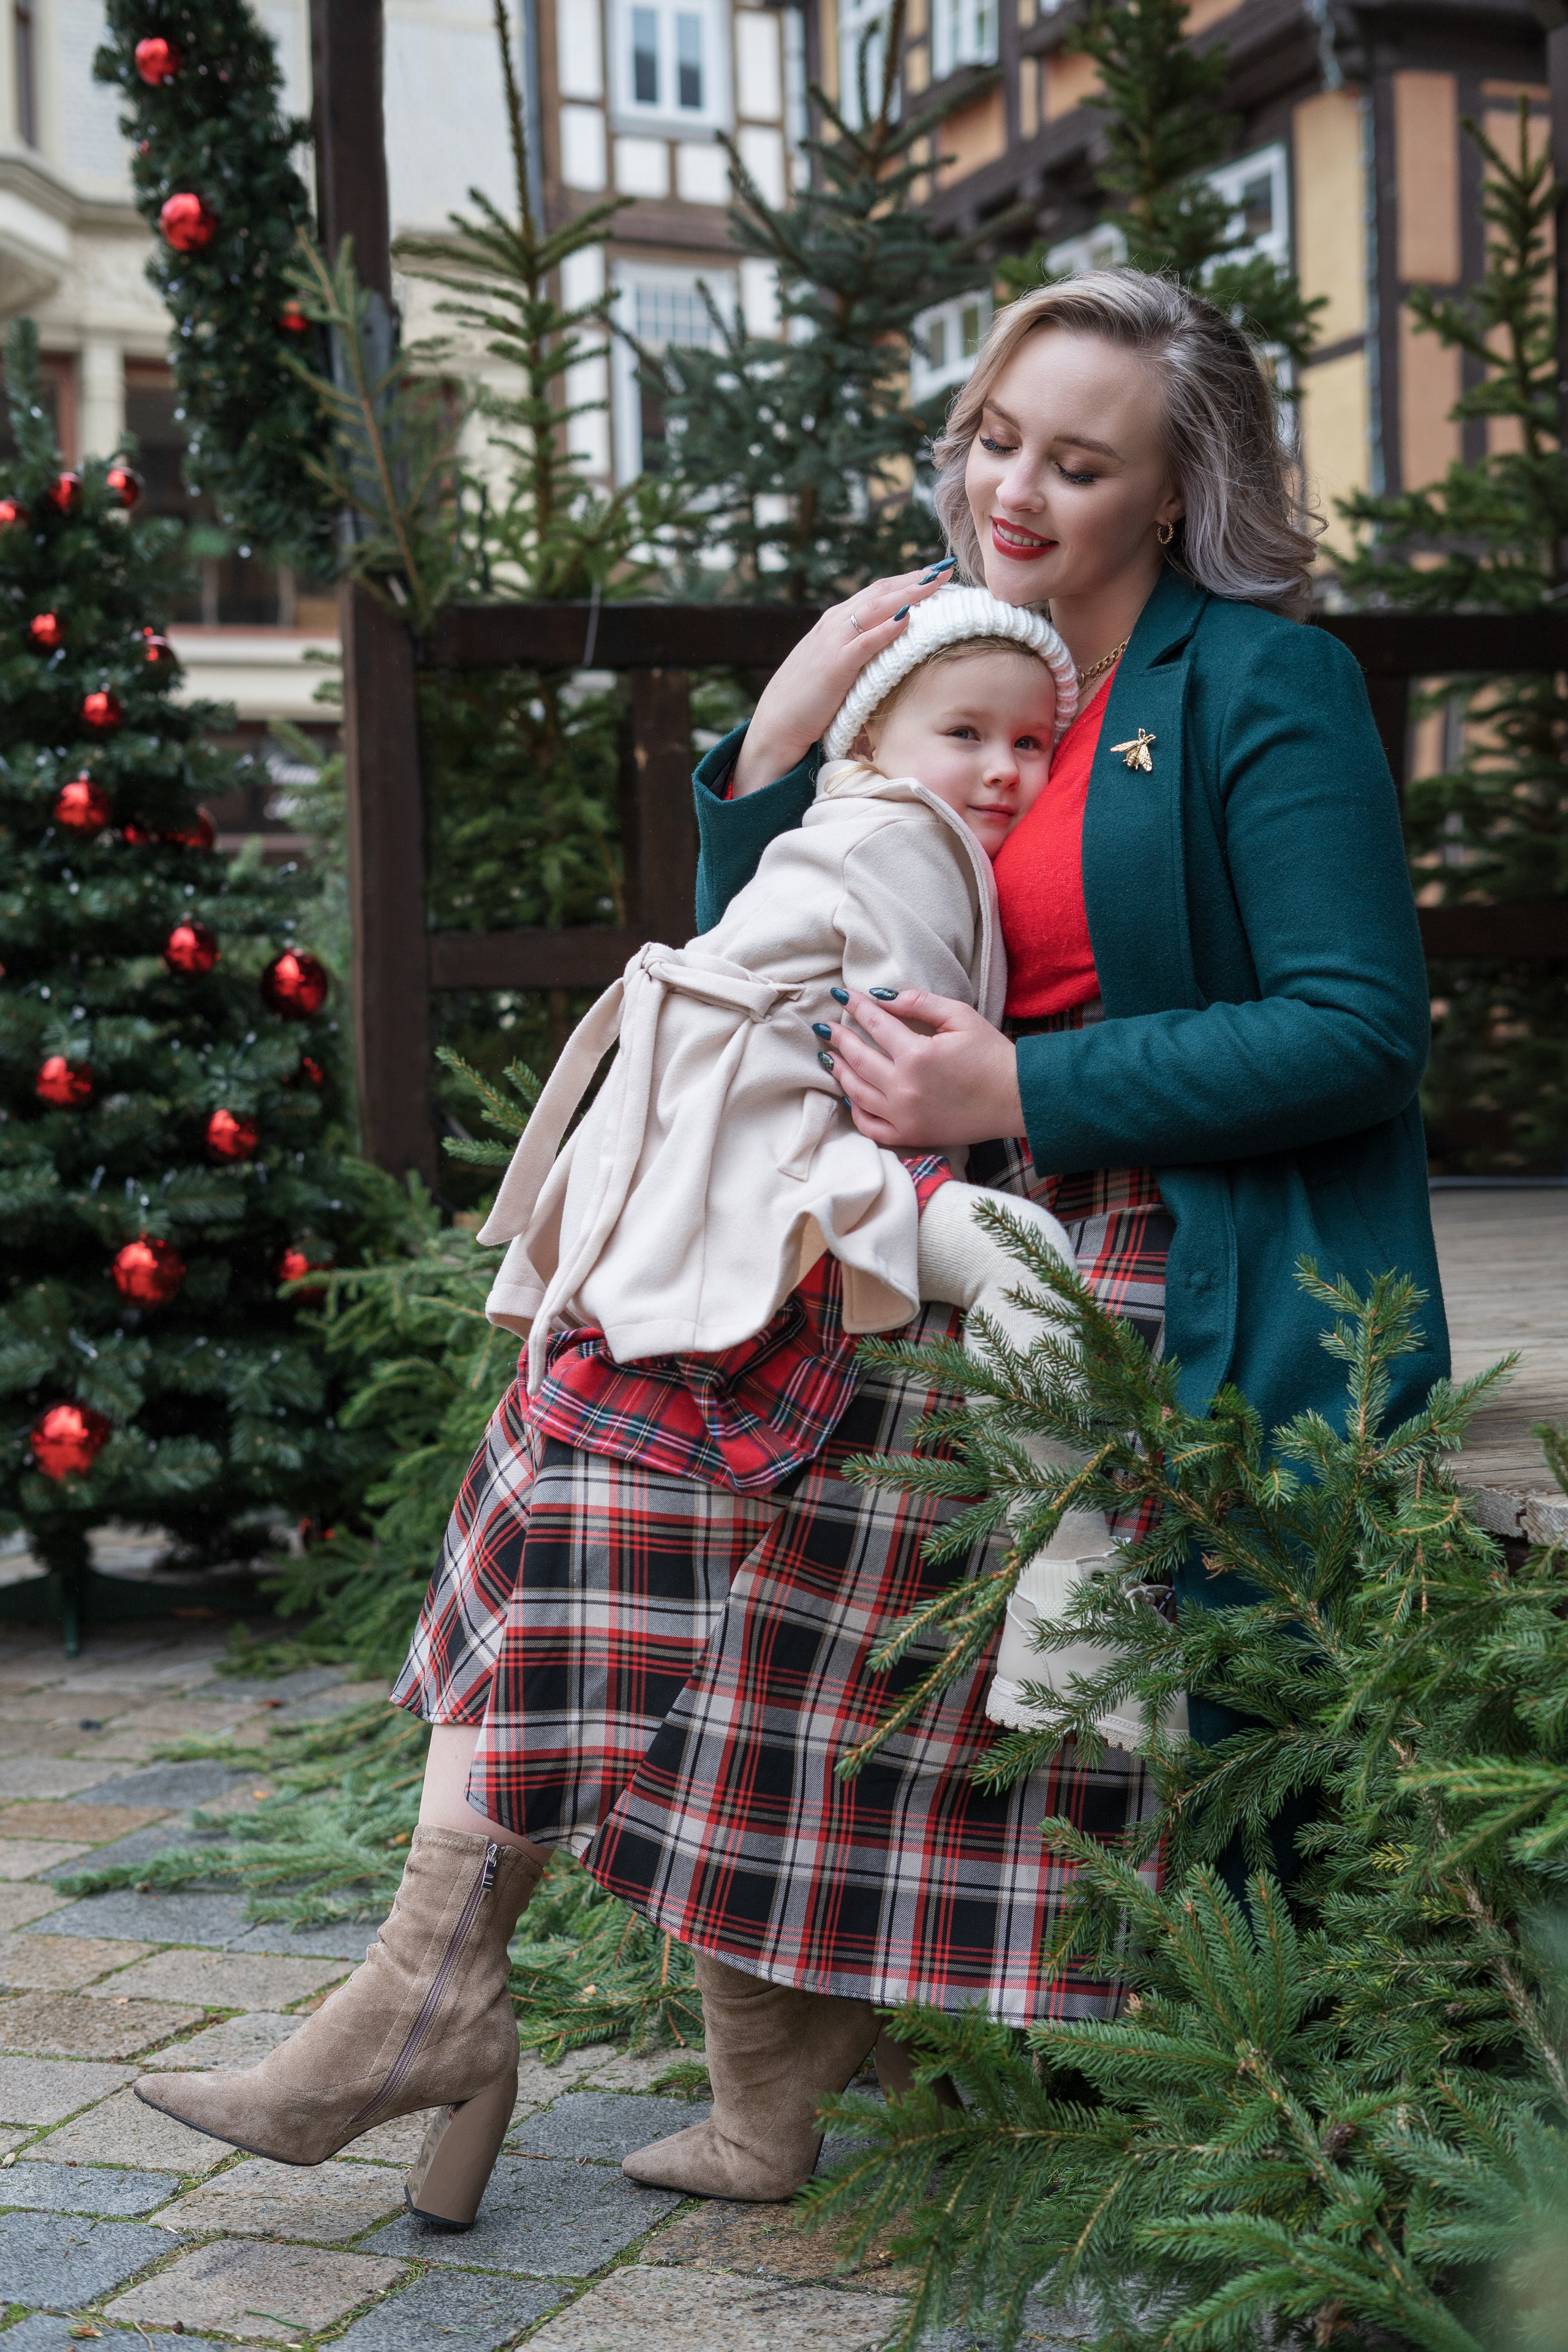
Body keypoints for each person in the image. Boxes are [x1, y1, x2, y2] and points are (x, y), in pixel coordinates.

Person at [135, 269, 1446, 2232]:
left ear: (1176, 495)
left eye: (1080, 463)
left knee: (701, 1493)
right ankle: (515, 2017)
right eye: (995, 438)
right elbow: (793, 947)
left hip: (1159, 1235)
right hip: (917, 1211)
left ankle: (502, 2020)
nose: (1014, 489)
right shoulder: (952, 649)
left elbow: (1359, 1029)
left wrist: (1023, 1082)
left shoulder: (1259, 690)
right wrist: (769, 749)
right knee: (584, 1419)